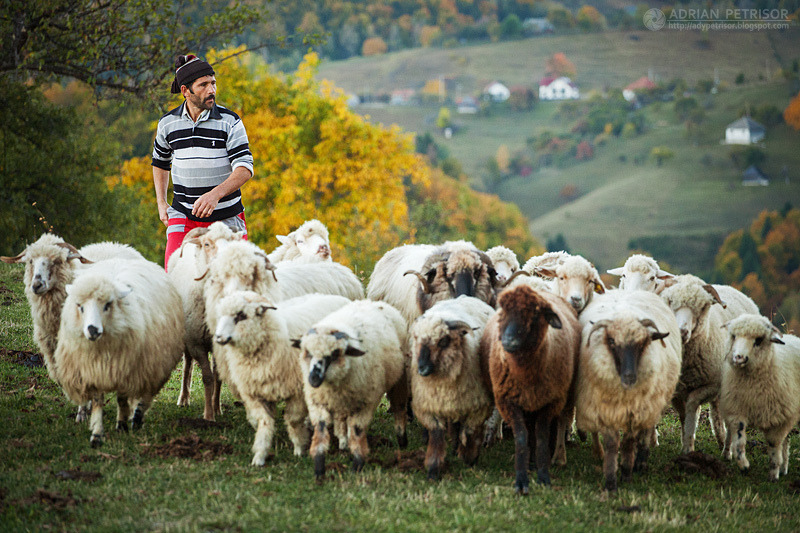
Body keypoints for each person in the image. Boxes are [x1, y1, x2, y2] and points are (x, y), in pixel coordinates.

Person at [152, 54, 253, 269]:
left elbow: (244, 168)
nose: (212, 90)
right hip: (183, 214)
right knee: (175, 273)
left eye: (213, 83)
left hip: (226, 217)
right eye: (204, 85)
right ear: (185, 91)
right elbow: (160, 163)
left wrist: (214, 195)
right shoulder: (167, 123)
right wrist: (161, 202)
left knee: (236, 274)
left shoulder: (230, 121)